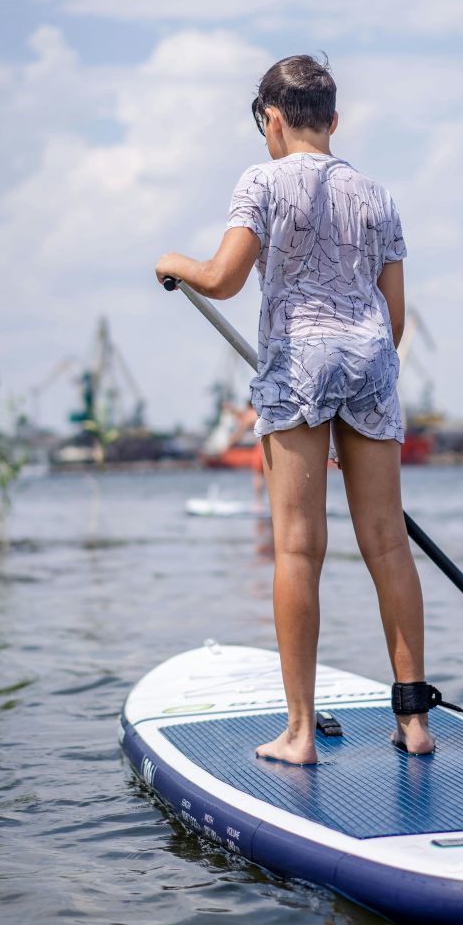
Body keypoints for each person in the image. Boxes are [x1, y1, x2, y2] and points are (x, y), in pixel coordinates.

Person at [155, 55, 436, 764]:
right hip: (371, 362)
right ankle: (414, 722)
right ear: (334, 121)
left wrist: (173, 263)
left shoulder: (262, 180)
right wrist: (357, 399)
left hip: (298, 366)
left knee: (297, 547)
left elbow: (221, 280)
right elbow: (395, 316)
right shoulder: (377, 194)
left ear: (271, 121)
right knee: (388, 544)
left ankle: (300, 733)